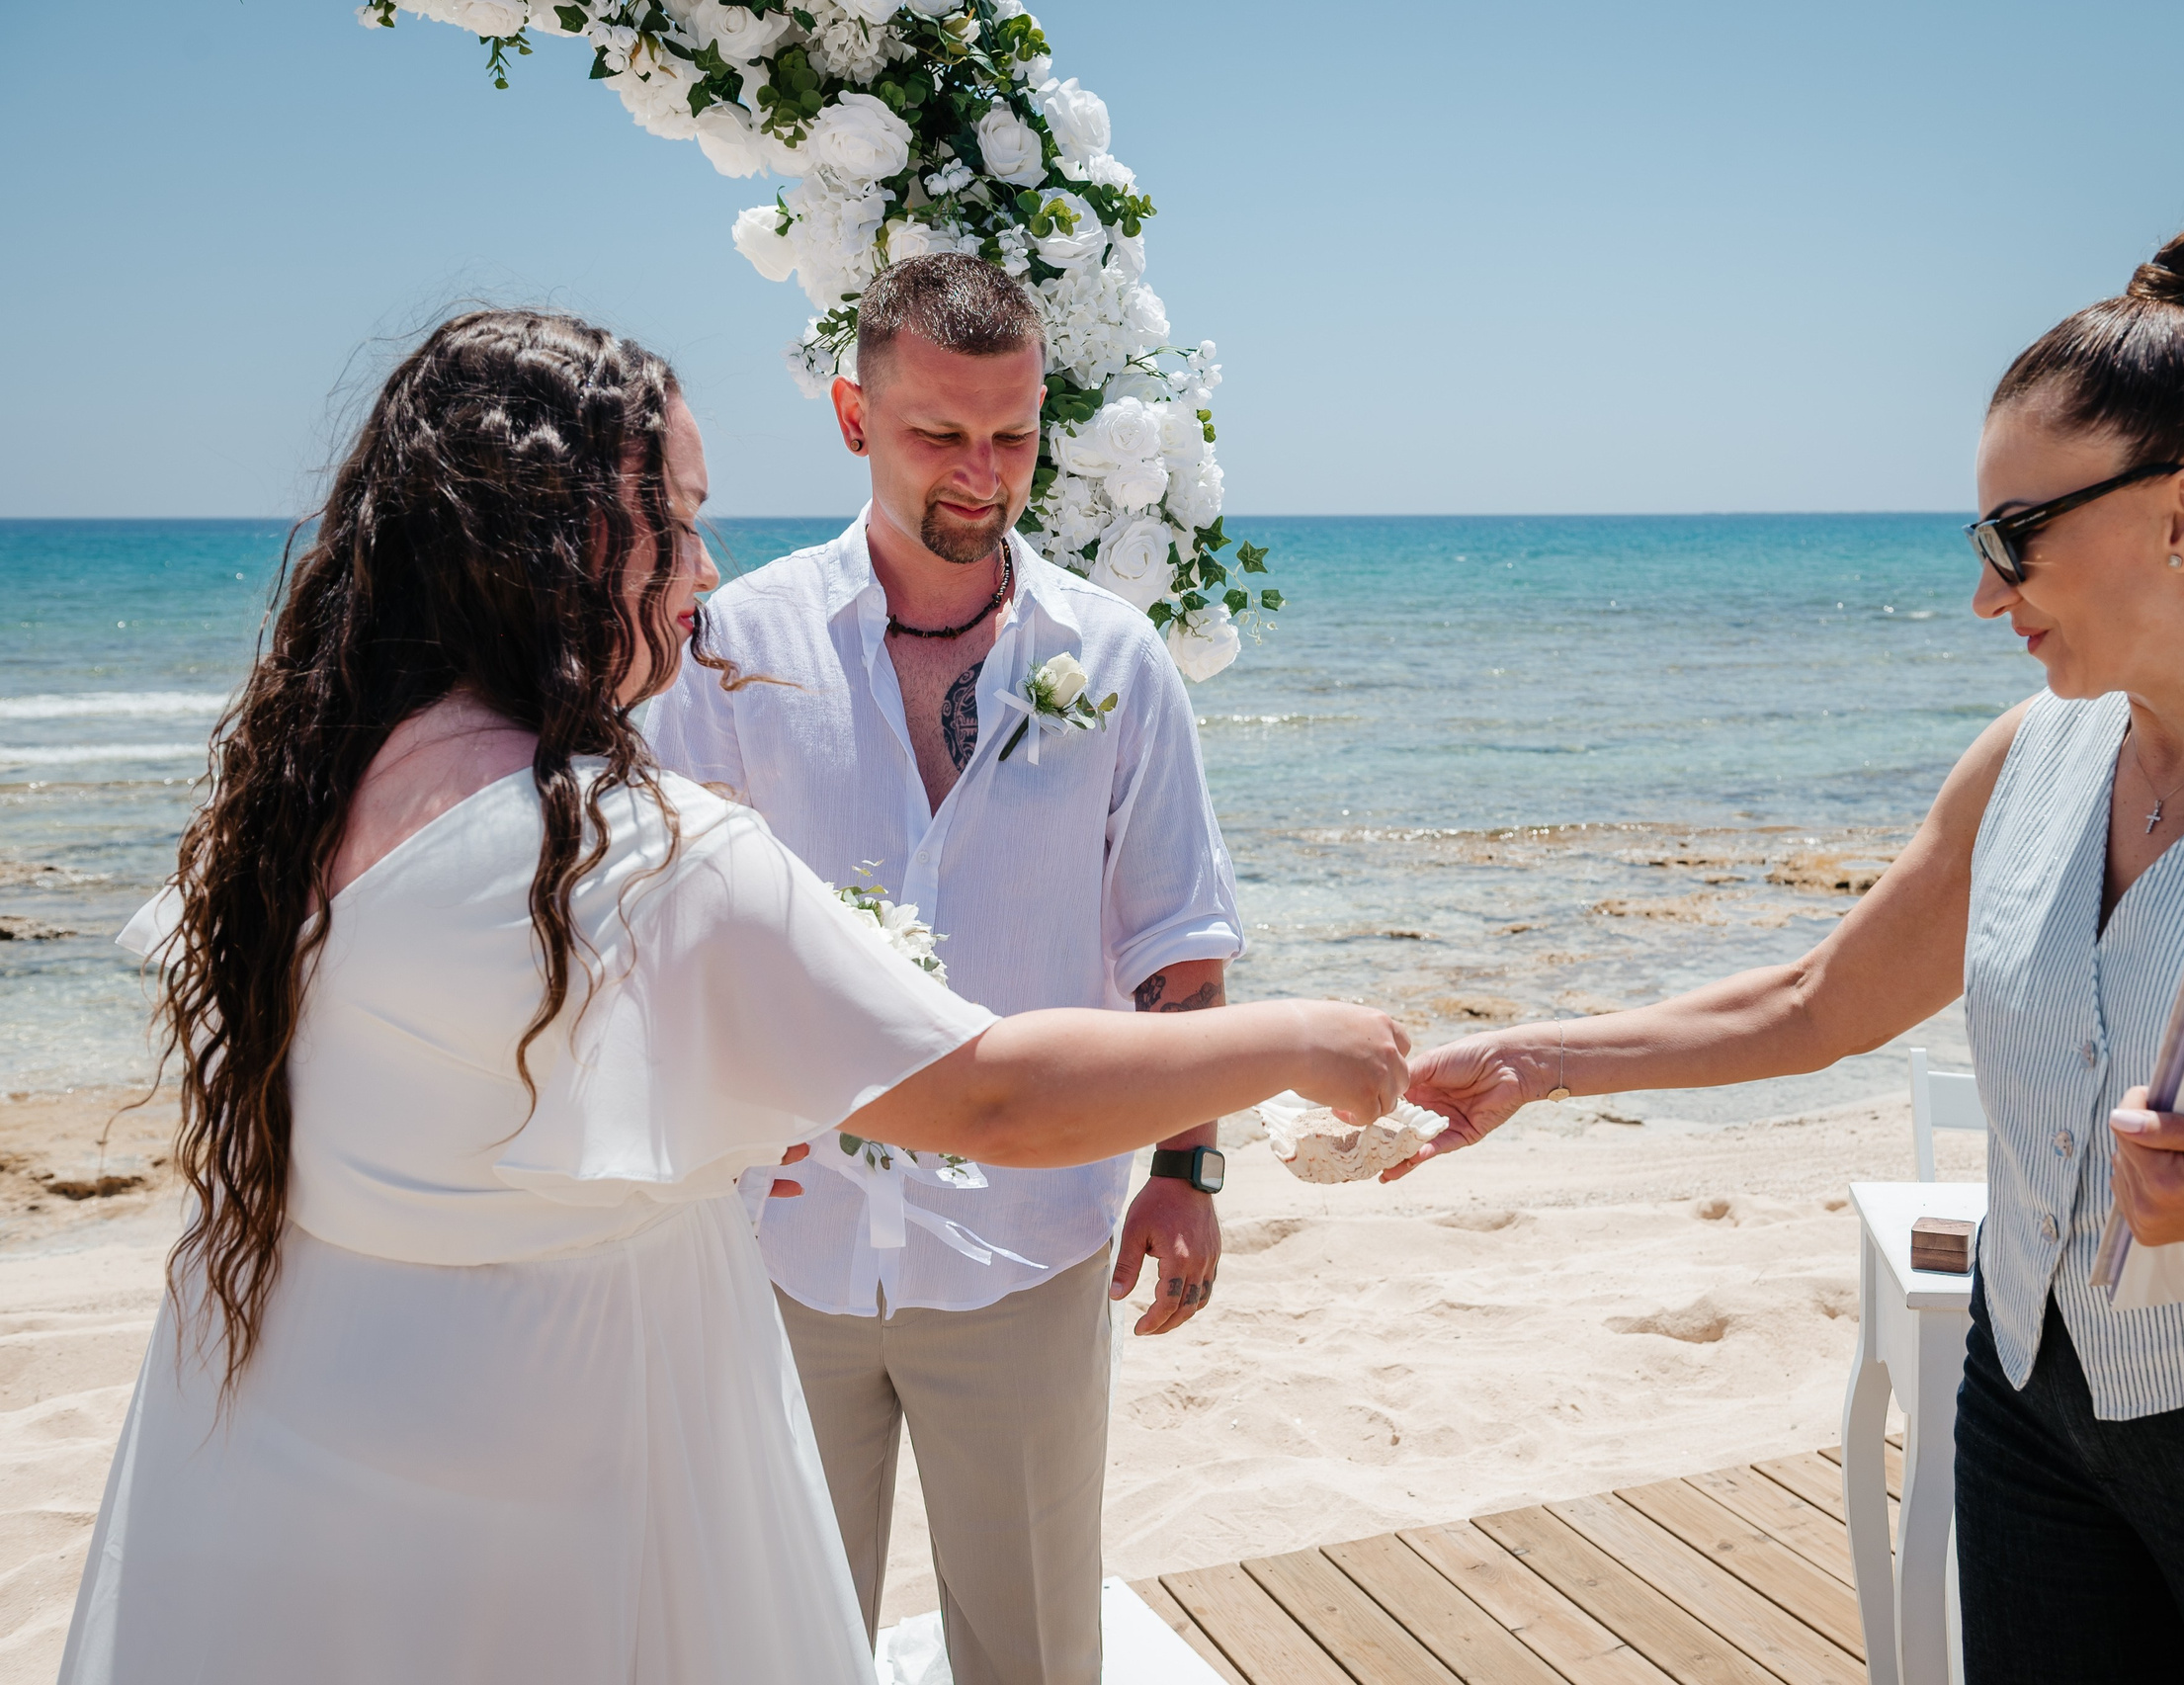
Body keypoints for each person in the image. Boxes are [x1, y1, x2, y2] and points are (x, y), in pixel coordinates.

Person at [54, 308, 1407, 1685]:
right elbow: (993, 1090)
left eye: (1012, 431)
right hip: (600, 1468)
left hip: (311, 1471)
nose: (705, 570)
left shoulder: (291, 808)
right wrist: (1305, 1039)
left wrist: (1187, 1164)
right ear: (564, 542)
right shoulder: (652, 848)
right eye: (679, 521)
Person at [1399, 227, 2184, 1683]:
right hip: (2032, 1424)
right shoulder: (2032, 756)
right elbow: (1817, 999)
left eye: (2017, 536)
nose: (1990, 595)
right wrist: (1537, 1058)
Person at [647, 251, 1235, 1685]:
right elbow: (657, 933)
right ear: (854, 416)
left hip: (1030, 1252)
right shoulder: (730, 648)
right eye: (939, 434)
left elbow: (1178, 939)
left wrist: (1186, 1166)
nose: (984, 472)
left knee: (1033, 1651)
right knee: (772, 1646)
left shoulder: (1118, 658)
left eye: (1015, 433)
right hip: (775, 1255)